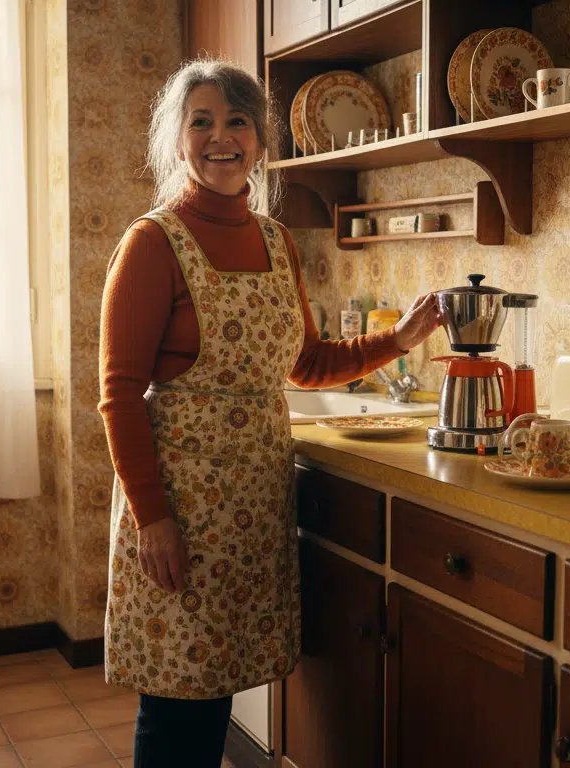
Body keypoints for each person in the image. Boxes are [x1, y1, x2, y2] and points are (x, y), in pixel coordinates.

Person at [97, 59, 443, 767]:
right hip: (180, 505)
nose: (220, 138)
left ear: (259, 141)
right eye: (201, 122)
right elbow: (119, 394)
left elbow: (305, 363)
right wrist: (153, 518)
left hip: (251, 504)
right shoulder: (153, 242)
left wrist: (399, 340)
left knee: (214, 686)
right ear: (178, 139)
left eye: (237, 122)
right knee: (176, 700)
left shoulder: (276, 240)